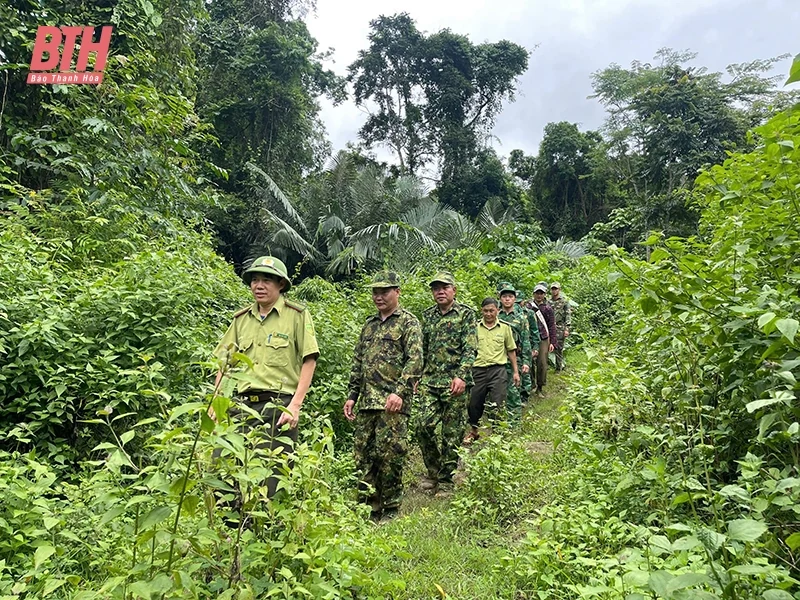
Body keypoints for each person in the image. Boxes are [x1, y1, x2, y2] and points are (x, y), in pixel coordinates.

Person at [213, 255, 319, 499]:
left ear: (281, 284)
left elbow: (309, 360)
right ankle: (231, 530)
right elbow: (224, 363)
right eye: (255, 280)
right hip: (240, 406)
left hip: (278, 405)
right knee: (223, 468)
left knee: (273, 476)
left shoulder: (297, 316)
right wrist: (216, 402)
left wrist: (295, 405)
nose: (259, 286)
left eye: (267, 280)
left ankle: (269, 528)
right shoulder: (241, 320)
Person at [344, 271, 423, 522]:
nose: (378, 296)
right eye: (375, 292)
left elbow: (415, 360)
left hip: (392, 403)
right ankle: (369, 503)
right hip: (367, 401)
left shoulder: (408, 322)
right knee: (363, 454)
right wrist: (352, 394)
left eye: (384, 291)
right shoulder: (369, 325)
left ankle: (391, 505)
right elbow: (358, 361)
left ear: (397, 292)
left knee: (390, 454)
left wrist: (400, 392)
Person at [416, 272, 477, 496]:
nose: (440, 291)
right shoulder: (428, 316)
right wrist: (417, 376)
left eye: (445, 287)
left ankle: (447, 479)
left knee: (452, 432)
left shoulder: (465, 314)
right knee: (422, 426)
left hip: (455, 383)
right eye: (436, 288)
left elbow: (470, 347)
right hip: (430, 381)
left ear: (454, 290)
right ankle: (433, 471)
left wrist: (461, 375)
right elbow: (423, 348)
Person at [464, 298, 518, 445]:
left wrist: (515, 371)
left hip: (498, 370)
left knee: (498, 403)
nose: (488, 314)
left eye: (491, 311)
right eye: (485, 311)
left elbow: (511, 350)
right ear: (482, 311)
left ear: (497, 311)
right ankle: (474, 431)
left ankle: (498, 436)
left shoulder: (505, 328)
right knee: (474, 403)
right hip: (478, 371)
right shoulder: (474, 328)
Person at [497, 283, 531, 423]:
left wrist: (526, 362)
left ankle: (514, 422)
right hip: (498, 358)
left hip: (515, 358)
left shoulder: (521, 318)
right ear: (500, 299)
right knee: (498, 391)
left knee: (513, 391)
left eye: (510, 296)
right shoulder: (495, 316)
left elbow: (525, 340)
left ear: (515, 299)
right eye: (504, 296)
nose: (507, 299)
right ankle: (498, 421)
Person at [528, 283, 556, 395]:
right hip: (529, 337)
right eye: (537, 293)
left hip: (543, 338)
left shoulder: (548, 308)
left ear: (544, 295)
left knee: (542, 363)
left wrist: (552, 342)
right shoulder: (528, 307)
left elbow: (552, 325)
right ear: (534, 294)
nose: (539, 295)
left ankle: (540, 386)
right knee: (529, 362)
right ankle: (531, 384)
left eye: (541, 293)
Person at [516, 290, 540, 404]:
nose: (517, 304)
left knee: (526, 372)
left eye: (519, 302)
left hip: (526, 346)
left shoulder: (529, 313)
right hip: (514, 348)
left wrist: (535, 347)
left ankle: (525, 395)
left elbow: (535, 331)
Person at [548, 282, 572, 372]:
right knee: (547, 347)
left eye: (556, 289)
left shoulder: (564, 302)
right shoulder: (548, 302)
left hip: (559, 327)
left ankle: (558, 368)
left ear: (559, 290)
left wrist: (567, 329)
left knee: (559, 348)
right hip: (549, 327)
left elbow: (568, 315)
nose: (554, 291)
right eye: (553, 289)